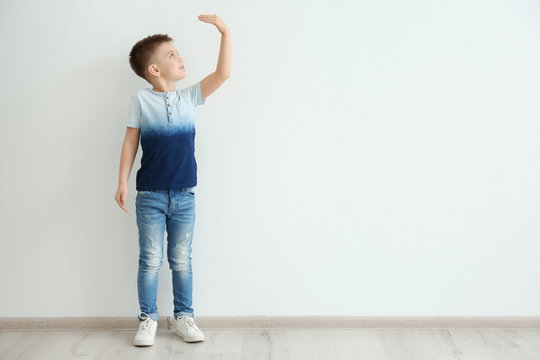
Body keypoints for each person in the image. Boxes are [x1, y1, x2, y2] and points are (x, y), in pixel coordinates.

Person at [114, 14, 231, 347]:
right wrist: (122, 181)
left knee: (181, 260)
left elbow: (223, 73)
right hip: (150, 195)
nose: (180, 58)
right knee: (150, 259)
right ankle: (148, 319)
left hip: (184, 195)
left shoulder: (189, 97)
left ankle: (184, 317)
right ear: (154, 69)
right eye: (172, 55)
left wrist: (224, 32)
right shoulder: (140, 101)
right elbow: (129, 143)